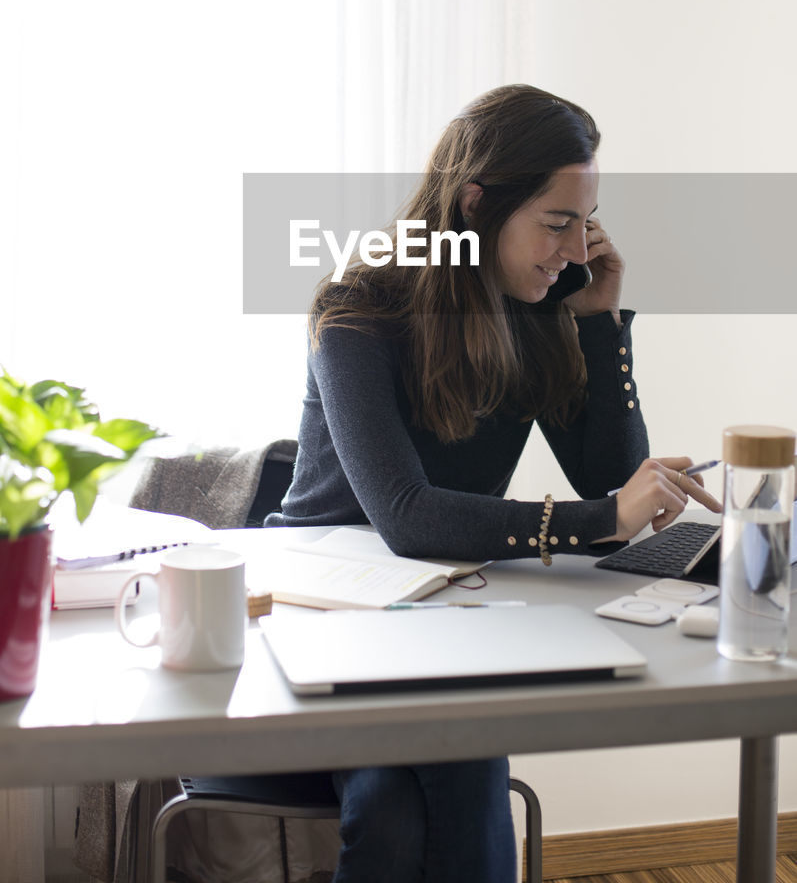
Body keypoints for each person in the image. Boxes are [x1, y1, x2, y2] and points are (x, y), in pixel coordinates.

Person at [267, 84, 720, 883]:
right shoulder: (358, 306)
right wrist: (601, 514)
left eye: (586, 223)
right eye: (556, 222)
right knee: (432, 781)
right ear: (476, 205)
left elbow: (606, 484)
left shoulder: (536, 309)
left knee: (399, 806)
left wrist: (600, 324)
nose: (577, 251)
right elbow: (406, 517)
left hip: (441, 615)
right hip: (321, 612)